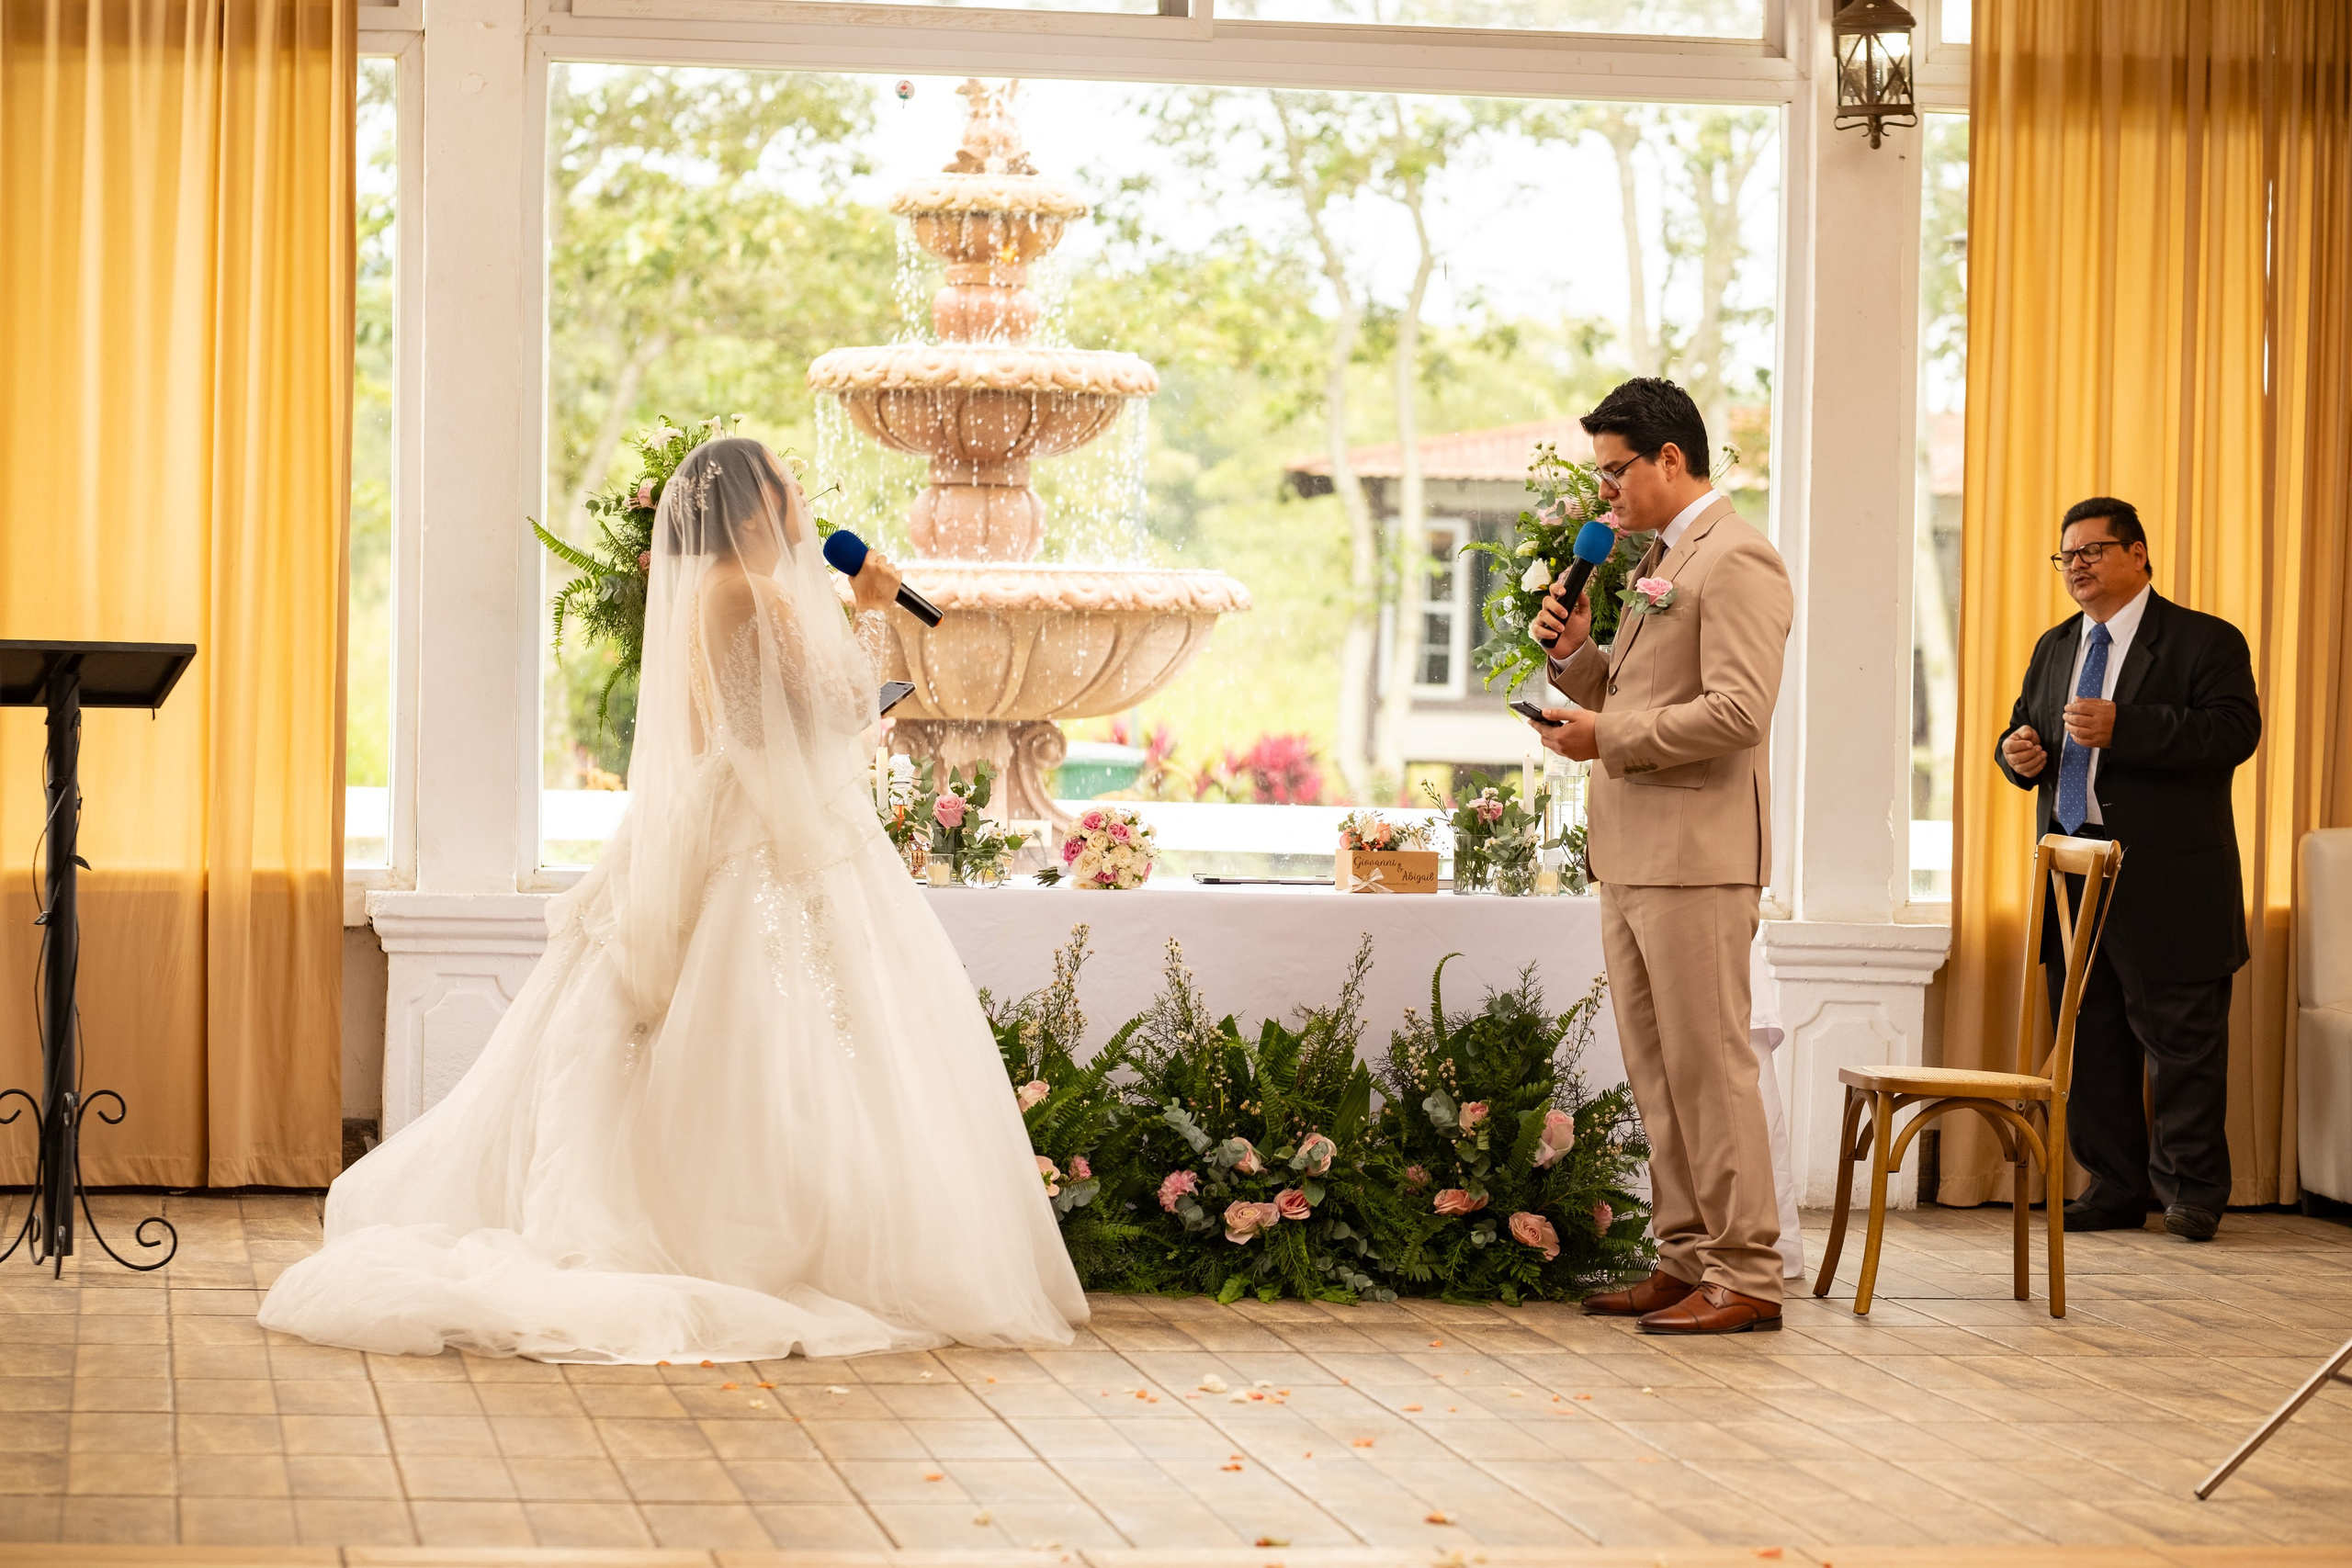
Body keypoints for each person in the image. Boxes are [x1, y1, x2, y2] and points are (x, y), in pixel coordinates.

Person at [259, 438, 1087, 1361]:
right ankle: (754, 1226)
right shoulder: (753, 592)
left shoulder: (715, 594)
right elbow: (829, 710)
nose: (801, 511)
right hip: (765, 833)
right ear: (749, 511)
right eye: (787, 495)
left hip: (734, 810)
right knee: (771, 1028)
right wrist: (871, 614)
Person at [1524, 378, 1793, 1334]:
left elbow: (1735, 713)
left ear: (1669, 460)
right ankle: (1684, 1257)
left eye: (1614, 473)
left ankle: (1748, 1272)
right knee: (1658, 1071)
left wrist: (1608, 735)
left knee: (1708, 1067)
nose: (1605, 494)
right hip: (1633, 851)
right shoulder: (1661, 559)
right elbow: (1633, 691)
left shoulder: (1737, 559)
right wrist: (1577, 655)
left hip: (1698, 854)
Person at [1995, 497, 2258, 1241]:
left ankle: (2193, 1192)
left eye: (2092, 550)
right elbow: (2026, 725)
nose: (2076, 565)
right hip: (2073, 871)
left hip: (2169, 877)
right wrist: (2017, 754)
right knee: (2090, 1032)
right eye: (2066, 555)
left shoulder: (2204, 640)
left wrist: (2128, 727)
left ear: (2139, 554)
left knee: (2181, 1041)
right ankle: (2113, 1185)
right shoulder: (2056, 645)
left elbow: (2235, 731)